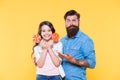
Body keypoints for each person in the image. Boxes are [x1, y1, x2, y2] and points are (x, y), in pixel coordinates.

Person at [58, 10, 96, 80]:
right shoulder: (61, 41)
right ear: (65, 23)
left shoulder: (85, 40)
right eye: (68, 20)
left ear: (79, 22)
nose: (71, 23)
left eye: (74, 20)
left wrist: (74, 60)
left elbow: (92, 63)